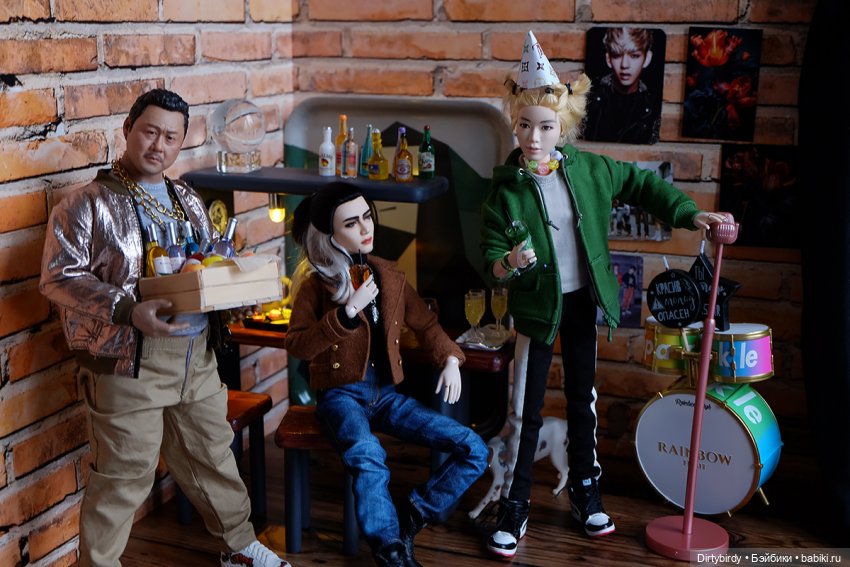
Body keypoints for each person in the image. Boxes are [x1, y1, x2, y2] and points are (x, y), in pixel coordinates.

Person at [479, 31, 727, 558]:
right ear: (514, 123)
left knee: (583, 402)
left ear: (564, 127)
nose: (534, 137)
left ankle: (586, 493)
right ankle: (515, 504)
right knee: (523, 408)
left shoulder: (591, 170)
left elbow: (644, 187)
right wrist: (510, 262)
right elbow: (491, 260)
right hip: (536, 310)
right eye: (524, 125)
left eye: (546, 126)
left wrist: (689, 214)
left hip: (582, 303)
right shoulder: (504, 192)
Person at [39, 89, 290, 567]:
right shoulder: (84, 204)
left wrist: (233, 295)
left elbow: (209, 262)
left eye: (171, 137)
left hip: (198, 357)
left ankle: (239, 548)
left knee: (212, 457)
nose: (158, 145)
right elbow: (58, 278)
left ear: (181, 142)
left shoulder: (188, 199)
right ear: (128, 129)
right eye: (149, 132)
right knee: (124, 475)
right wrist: (127, 309)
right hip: (127, 362)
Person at [285, 182, 488, 567]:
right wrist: (346, 312)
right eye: (351, 223)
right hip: (341, 395)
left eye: (367, 217)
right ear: (331, 235)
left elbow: (425, 324)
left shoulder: (389, 276)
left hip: (386, 394)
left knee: (473, 448)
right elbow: (297, 345)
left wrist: (450, 358)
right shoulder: (317, 286)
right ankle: (390, 550)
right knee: (368, 454)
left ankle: (413, 513)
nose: (366, 228)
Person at [583, 27, 662, 144]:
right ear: (608, 59)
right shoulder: (591, 97)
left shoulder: (652, 105)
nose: (625, 65)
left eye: (634, 56)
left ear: (647, 58)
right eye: (617, 55)